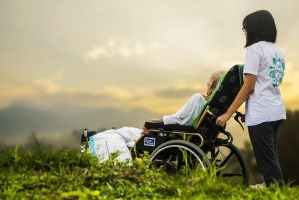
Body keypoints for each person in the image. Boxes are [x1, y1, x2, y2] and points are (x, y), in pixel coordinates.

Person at [86, 71, 224, 162]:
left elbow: (176, 119)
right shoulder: (215, 108)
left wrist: (153, 123)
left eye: (208, 81)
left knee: (120, 134)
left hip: (174, 136)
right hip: (185, 136)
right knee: (125, 131)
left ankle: (94, 143)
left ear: (211, 83)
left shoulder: (198, 99)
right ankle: (96, 140)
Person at [216, 10, 286, 186]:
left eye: (245, 28)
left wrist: (227, 114)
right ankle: (275, 188)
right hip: (276, 111)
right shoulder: (278, 51)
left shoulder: (255, 49)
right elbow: (269, 83)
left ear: (255, 28)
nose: (245, 32)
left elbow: (248, 87)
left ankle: (277, 190)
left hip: (262, 114)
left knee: (268, 163)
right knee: (272, 157)